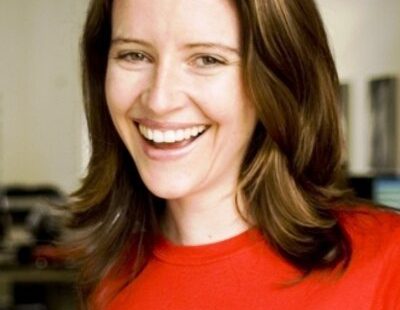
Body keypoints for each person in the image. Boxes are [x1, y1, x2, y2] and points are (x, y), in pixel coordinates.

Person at [68, 0, 400, 309]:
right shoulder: (109, 277)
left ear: (277, 78)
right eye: (134, 55)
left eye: (207, 59)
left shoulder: (387, 260)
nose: (159, 100)